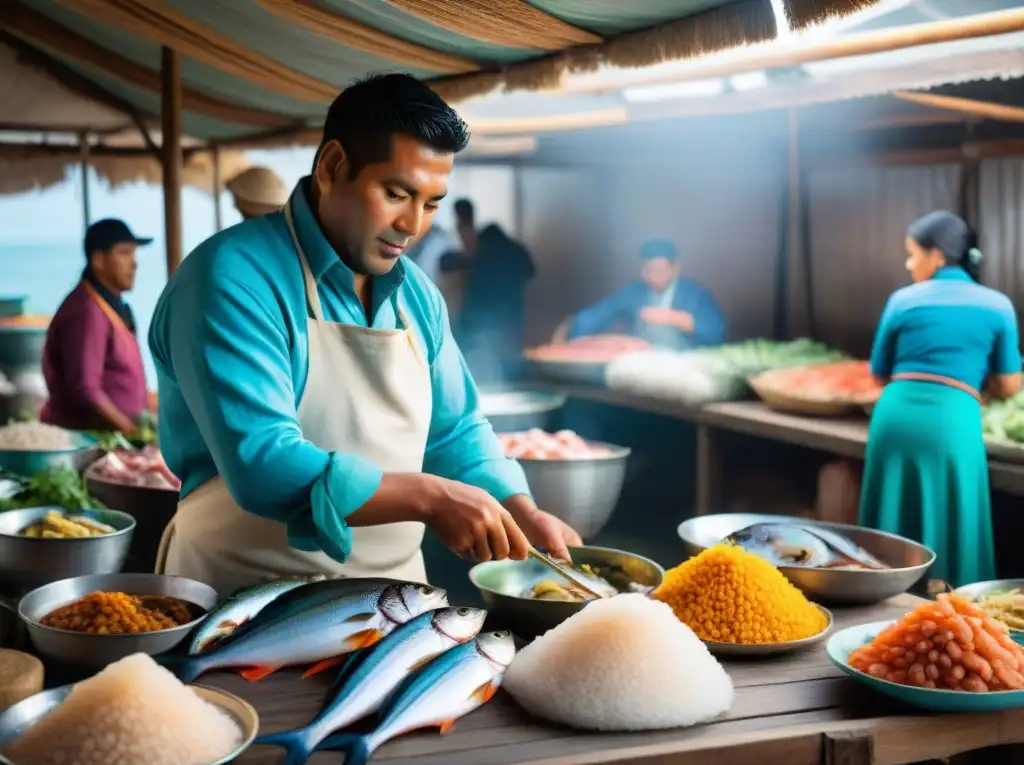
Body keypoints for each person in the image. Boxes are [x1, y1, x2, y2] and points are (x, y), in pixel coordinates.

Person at [148, 74, 580, 595]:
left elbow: (455, 430)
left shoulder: (417, 295)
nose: (413, 224)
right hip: (239, 593)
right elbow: (263, 462)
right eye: (396, 193)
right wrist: (431, 499)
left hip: (393, 600)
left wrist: (521, 510)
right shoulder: (231, 278)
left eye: (432, 202)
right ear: (332, 167)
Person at [860, 210, 1021, 587]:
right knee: (955, 513)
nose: (909, 263)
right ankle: (954, 613)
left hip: (894, 415)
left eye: (913, 254)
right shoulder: (997, 304)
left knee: (891, 512)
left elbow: (878, 372)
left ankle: (881, 601)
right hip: (953, 419)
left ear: (937, 256)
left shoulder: (902, 299)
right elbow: (1011, 385)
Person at [40, 219, 150, 433]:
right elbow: (86, 391)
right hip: (93, 441)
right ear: (98, 260)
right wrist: (134, 432)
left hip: (120, 438)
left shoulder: (112, 306)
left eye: (134, 253)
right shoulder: (86, 311)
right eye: (124, 253)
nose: (135, 263)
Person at [556, 238, 725, 350]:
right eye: (649, 270)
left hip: (683, 367)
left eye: (660, 270)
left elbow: (716, 332)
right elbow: (602, 313)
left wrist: (676, 318)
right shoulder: (634, 292)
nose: (653, 276)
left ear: (675, 269)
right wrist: (572, 326)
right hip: (641, 366)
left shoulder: (693, 294)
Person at [441, 199, 535, 384]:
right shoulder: (514, 250)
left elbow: (447, 262)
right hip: (509, 322)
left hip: (479, 323)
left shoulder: (481, 250)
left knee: (477, 368)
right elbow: (531, 270)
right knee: (505, 370)